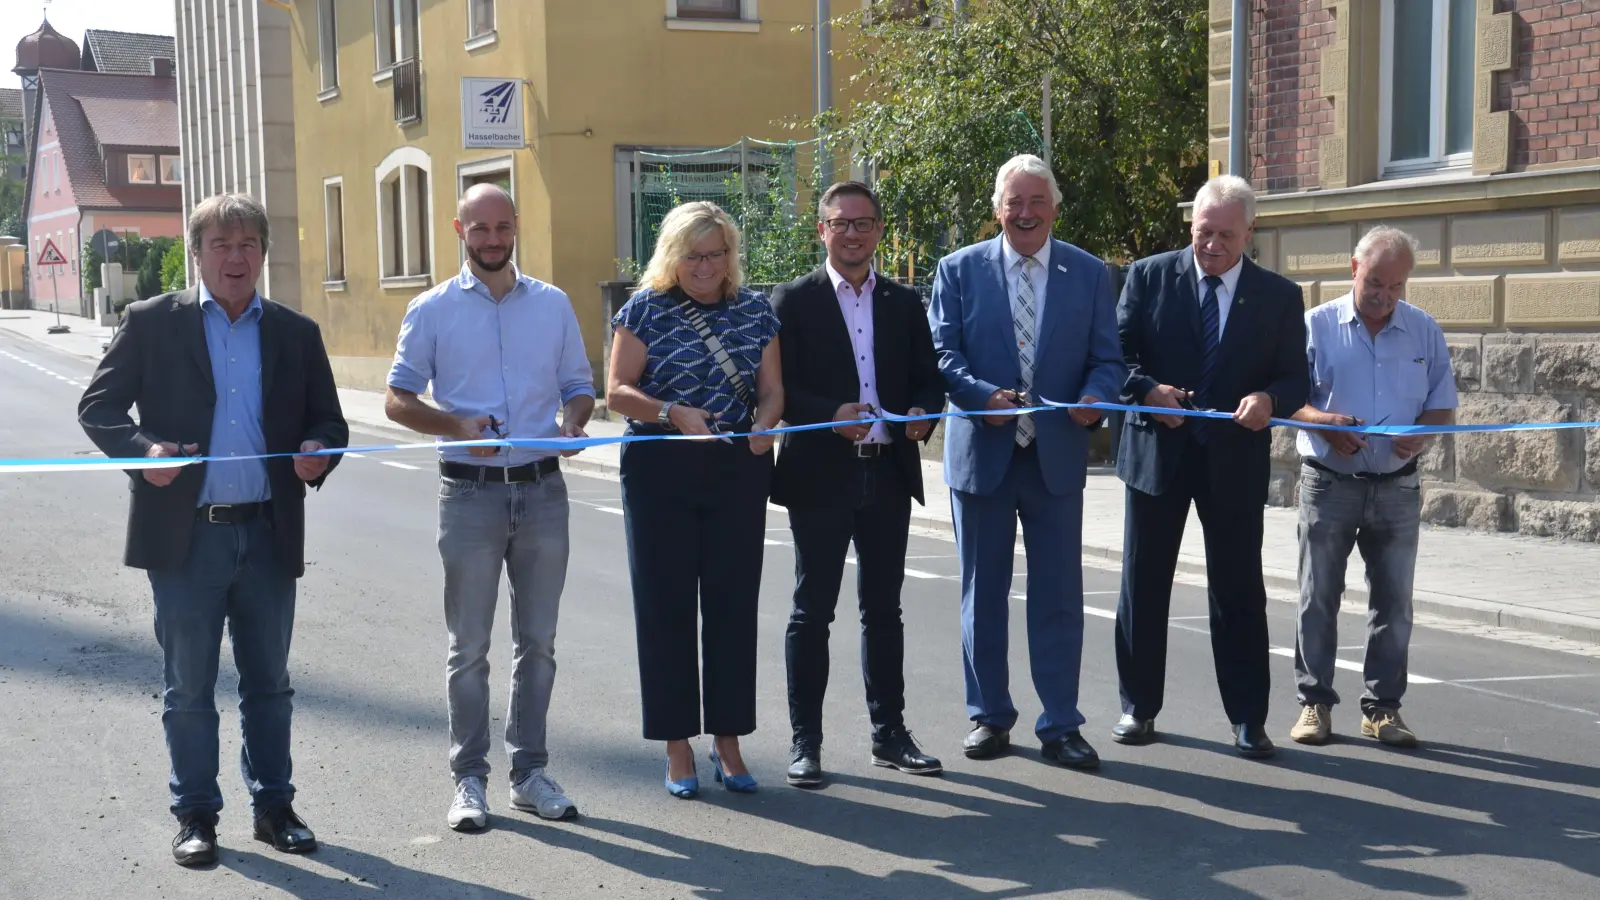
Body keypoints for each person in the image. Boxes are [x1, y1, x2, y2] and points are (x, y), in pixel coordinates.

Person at [77, 193, 349, 867]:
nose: (236, 257)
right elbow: (98, 406)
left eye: (248, 245)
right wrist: (143, 452)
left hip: (266, 534)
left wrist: (319, 450)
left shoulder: (294, 332)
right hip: (184, 538)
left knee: (270, 686)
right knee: (189, 688)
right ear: (196, 254)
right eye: (221, 245)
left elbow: (330, 423)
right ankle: (196, 814)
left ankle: (274, 807)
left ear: (263, 254)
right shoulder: (151, 323)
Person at [385, 184, 594, 831]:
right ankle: (468, 780)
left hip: (541, 491)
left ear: (515, 227)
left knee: (538, 642)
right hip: (468, 497)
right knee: (469, 647)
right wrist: (454, 423)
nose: (494, 238)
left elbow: (580, 388)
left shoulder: (553, 305)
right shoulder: (431, 310)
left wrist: (571, 421)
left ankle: (528, 774)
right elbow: (397, 400)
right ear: (459, 230)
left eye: (503, 226)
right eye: (480, 228)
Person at [927, 154, 1125, 769]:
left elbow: (1109, 359)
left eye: (1037, 201)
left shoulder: (1089, 273)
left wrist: (1097, 398)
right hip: (983, 456)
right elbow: (941, 352)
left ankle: (1060, 722)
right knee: (982, 594)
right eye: (1014, 202)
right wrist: (978, 396)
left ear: (1055, 208)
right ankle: (989, 717)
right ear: (997, 209)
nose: (1026, 212)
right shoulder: (957, 271)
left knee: (1059, 596)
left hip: (1057, 455)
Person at [1113, 174, 1309, 758]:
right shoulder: (1148, 277)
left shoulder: (1278, 296)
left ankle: (1248, 717)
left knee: (1238, 590)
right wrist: (1146, 390)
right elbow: (1114, 355)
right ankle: (1137, 708)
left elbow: (1296, 377)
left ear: (1250, 232)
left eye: (1226, 235)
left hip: (1233, 460)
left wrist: (1271, 401)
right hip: (1157, 456)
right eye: (1203, 233)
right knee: (1142, 586)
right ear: (1190, 226)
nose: (1213, 246)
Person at [769, 182, 948, 787]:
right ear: (822, 230)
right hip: (820, 475)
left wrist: (926, 413)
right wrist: (829, 415)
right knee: (811, 613)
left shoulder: (902, 300)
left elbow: (930, 378)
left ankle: (889, 735)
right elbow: (777, 391)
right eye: (840, 223)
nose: (853, 233)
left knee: (884, 611)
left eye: (864, 222)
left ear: (878, 230)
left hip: (888, 474)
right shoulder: (791, 301)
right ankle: (806, 743)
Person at [607, 201, 783, 798]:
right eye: (694, 255)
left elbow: (772, 390)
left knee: (734, 608)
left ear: (731, 256)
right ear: (673, 256)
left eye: (717, 254)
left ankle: (728, 742)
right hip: (660, 468)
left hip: (737, 469)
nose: (707, 266)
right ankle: (677, 744)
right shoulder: (645, 308)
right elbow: (617, 392)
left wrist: (766, 424)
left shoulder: (756, 309)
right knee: (666, 610)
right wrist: (671, 413)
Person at [1288, 226, 1456, 749]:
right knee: (1319, 598)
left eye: (1398, 286)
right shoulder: (1315, 325)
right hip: (1329, 484)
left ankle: (1382, 709)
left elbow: (1443, 405)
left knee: (1394, 604)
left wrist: (1422, 434)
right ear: (1353, 268)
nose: (1386, 295)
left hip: (1397, 488)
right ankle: (1314, 703)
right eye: (1377, 282)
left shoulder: (1423, 329)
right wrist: (1324, 422)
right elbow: (1289, 399)